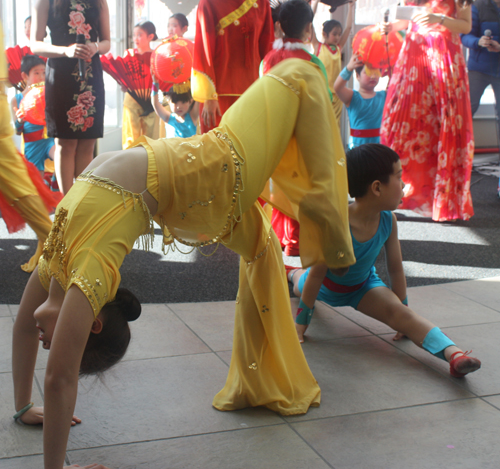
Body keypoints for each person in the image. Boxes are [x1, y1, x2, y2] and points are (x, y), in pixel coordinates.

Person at [12, 58, 354, 469]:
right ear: (92, 324)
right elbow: (59, 378)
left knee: (297, 82)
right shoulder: (91, 273)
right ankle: (331, 228)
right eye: (63, 342)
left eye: (53, 341)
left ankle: (327, 220)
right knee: (296, 77)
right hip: (217, 172)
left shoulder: (56, 263)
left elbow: (26, 336)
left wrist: (22, 408)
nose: (50, 342)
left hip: (195, 166)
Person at [288, 143, 482, 380]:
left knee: (405, 317)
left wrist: (402, 309)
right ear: (377, 188)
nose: (403, 185)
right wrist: (302, 322)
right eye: (399, 178)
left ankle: (455, 355)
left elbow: (395, 269)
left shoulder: (389, 220)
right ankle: (290, 272)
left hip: (363, 287)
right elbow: (317, 276)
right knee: (301, 280)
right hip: (325, 286)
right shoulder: (337, 225)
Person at [380, 0, 477, 221]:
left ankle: (443, 196)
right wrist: (390, 25)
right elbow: (404, 21)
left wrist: (439, 19)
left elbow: (466, 26)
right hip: (413, 59)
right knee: (403, 121)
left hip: (446, 59)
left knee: (443, 124)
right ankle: (401, 191)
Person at [30, 0, 110, 195]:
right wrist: (64, 50)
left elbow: (107, 41)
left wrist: (96, 47)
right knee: (65, 143)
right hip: (61, 77)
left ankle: (82, 201)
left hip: (91, 76)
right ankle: (67, 204)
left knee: (87, 143)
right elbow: (35, 44)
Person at [261, 0, 331, 257]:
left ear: (279, 27)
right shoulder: (313, 63)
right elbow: (321, 101)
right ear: (309, 30)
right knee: (301, 186)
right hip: (302, 135)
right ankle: (295, 241)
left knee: (278, 184)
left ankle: (279, 235)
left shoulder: (268, 60)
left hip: (276, 133)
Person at [192, 0, 274, 133]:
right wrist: (209, 97)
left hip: (252, 93)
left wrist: (270, 91)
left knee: (248, 153)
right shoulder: (209, 1)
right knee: (216, 154)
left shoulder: (261, 3)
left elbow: (268, 51)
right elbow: (203, 52)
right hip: (218, 97)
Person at [0, 21, 61, 273]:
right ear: (24, 76)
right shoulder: (18, 96)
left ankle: (52, 246)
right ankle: (51, 244)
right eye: (35, 72)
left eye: (42, 71)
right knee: (23, 181)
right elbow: (17, 127)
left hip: (44, 144)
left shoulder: (47, 91)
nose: (40, 75)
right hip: (31, 149)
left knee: (21, 182)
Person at [461, 0, 500, 151]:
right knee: (468, 109)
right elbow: (465, 37)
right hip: (478, 68)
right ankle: (461, 151)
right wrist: (478, 42)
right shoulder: (477, 6)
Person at [312, 0, 356, 123]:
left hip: (337, 96)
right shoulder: (318, 47)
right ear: (325, 34)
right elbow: (310, 22)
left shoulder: (338, 48)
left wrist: (351, 6)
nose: (337, 37)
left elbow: (348, 27)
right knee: (321, 126)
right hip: (322, 94)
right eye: (334, 34)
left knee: (334, 128)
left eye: (339, 34)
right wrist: (317, 0)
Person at [12, 55, 56, 179]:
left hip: (50, 140)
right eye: (36, 73)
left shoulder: (49, 94)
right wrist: (20, 120)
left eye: (44, 73)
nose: (42, 77)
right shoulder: (17, 100)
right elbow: (18, 131)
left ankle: (55, 189)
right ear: (25, 76)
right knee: (37, 182)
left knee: (62, 159)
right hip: (32, 144)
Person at [334, 52, 387, 148]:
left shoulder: (384, 95)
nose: (373, 76)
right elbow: (337, 87)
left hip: (380, 148)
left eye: (376, 72)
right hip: (357, 149)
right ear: (357, 76)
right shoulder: (352, 96)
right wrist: (349, 68)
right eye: (367, 72)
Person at [122, 20, 161, 149]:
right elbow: (123, 74)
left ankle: (150, 164)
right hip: (132, 98)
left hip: (151, 98)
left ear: (150, 36)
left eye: (139, 34)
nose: (135, 38)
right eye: (134, 35)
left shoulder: (156, 55)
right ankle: (129, 163)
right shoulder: (129, 54)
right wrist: (123, 83)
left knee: (151, 135)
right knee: (130, 136)